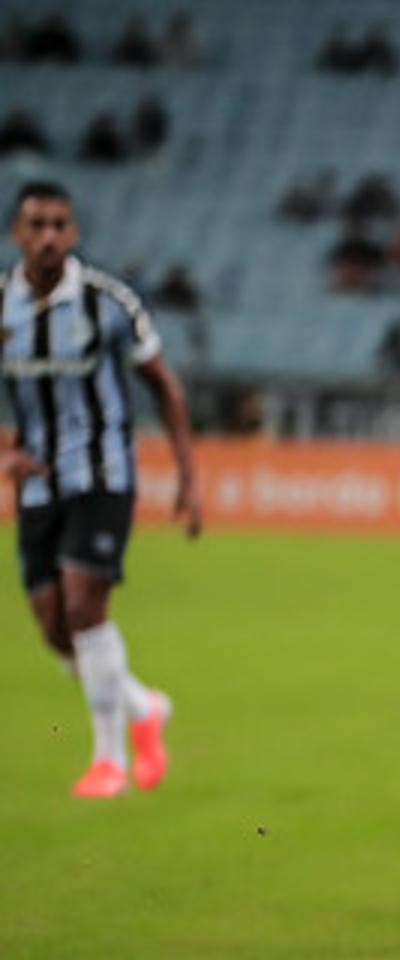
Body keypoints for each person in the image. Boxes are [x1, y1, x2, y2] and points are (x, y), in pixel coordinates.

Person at [3, 181, 202, 797]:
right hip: (39, 486)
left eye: (60, 224)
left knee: (86, 607)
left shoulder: (108, 303)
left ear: (75, 233)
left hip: (104, 474)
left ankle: (108, 760)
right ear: (17, 233)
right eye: (36, 224)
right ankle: (143, 707)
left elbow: (164, 386)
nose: (49, 237)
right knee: (54, 627)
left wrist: (189, 478)